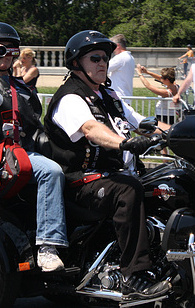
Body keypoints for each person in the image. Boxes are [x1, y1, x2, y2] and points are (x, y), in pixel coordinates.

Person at [44, 30, 172, 301]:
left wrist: (183, 134)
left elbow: (143, 121)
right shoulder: (70, 98)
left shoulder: (109, 96)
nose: (103, 63)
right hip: (82, 181)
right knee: (128, 190)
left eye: (105, 57)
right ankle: (132, 276)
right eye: (95, 58)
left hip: (112, 175)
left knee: (170, 183)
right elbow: (91, 129)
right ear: (76, 63)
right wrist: (125, 144)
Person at [0, 22, 68, 272]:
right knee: (50, 172)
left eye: (12, 49)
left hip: (29, 148)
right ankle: (47, 247)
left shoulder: (21, 85)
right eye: (0, 49)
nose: (6, 53)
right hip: (3, 154)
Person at [107, 34, 135, 104]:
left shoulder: (120, 58)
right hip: (126, 96)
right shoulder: (130, 57)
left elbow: (104, 68)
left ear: (118, 46)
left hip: (119, 97)